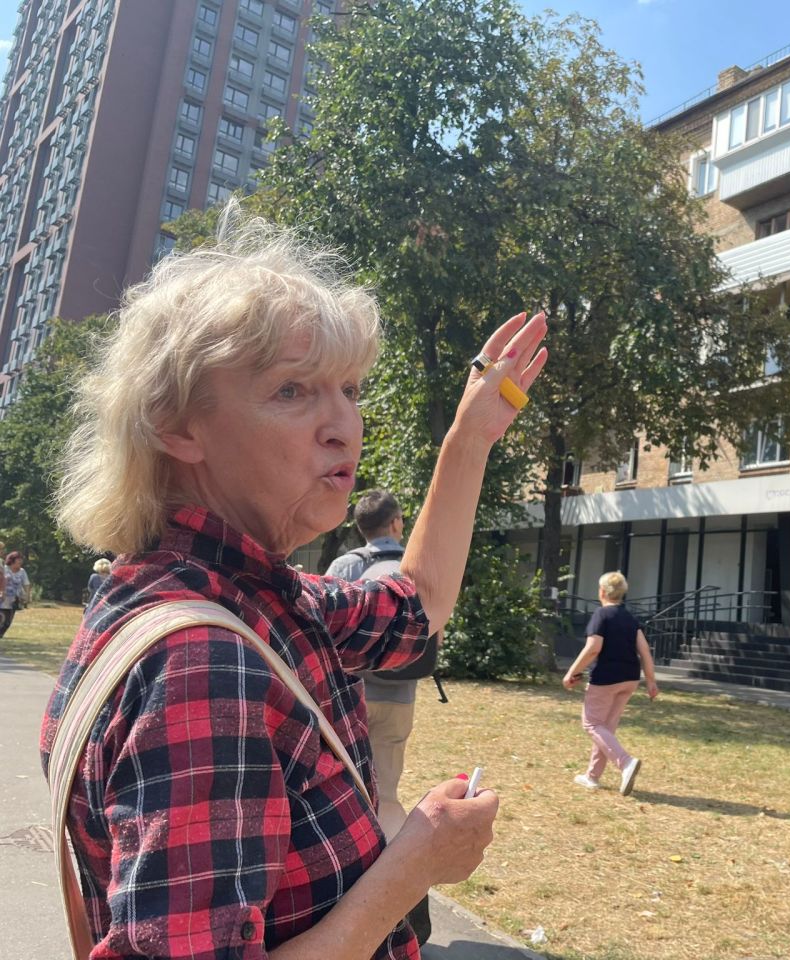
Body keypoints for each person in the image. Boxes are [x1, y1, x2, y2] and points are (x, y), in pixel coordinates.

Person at [39, 205, 548, 959]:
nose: (345, 422)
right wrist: (412, 867)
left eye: (349, 388)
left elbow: (418, 607)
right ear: (180, 427)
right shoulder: (205, 663)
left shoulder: (248, 600)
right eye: (293, 390)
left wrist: (469, 436)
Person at [326, 489, 421, 838]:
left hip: (349, 692)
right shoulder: (415, 566)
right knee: (388, 796)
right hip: (399, 693)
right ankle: (398, 881)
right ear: (396, 522)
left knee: (344, 787)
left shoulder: (345, 566)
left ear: (359, 526)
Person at [562, 571, 659, 796]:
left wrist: (571, 672)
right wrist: (651, 682)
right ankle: (592, 776)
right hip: (630, 679)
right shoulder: (630, 618)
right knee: (606, 728)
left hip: (606, 678)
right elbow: (644, 651)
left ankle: (625, 763)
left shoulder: (601, 615)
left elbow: (593, 648)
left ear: (602, 592)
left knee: (592, 724)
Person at [0, 550, 32, 639]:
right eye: (18, 560)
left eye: (21, 560)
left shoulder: (22, 571)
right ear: (12, 561)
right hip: (2, 598)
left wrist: (27, 595)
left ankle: (1, 634)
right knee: (1, 617)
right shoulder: (4, 568)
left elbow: (26, 584)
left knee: (7, 622)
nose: (20, 562)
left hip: (14, 600)